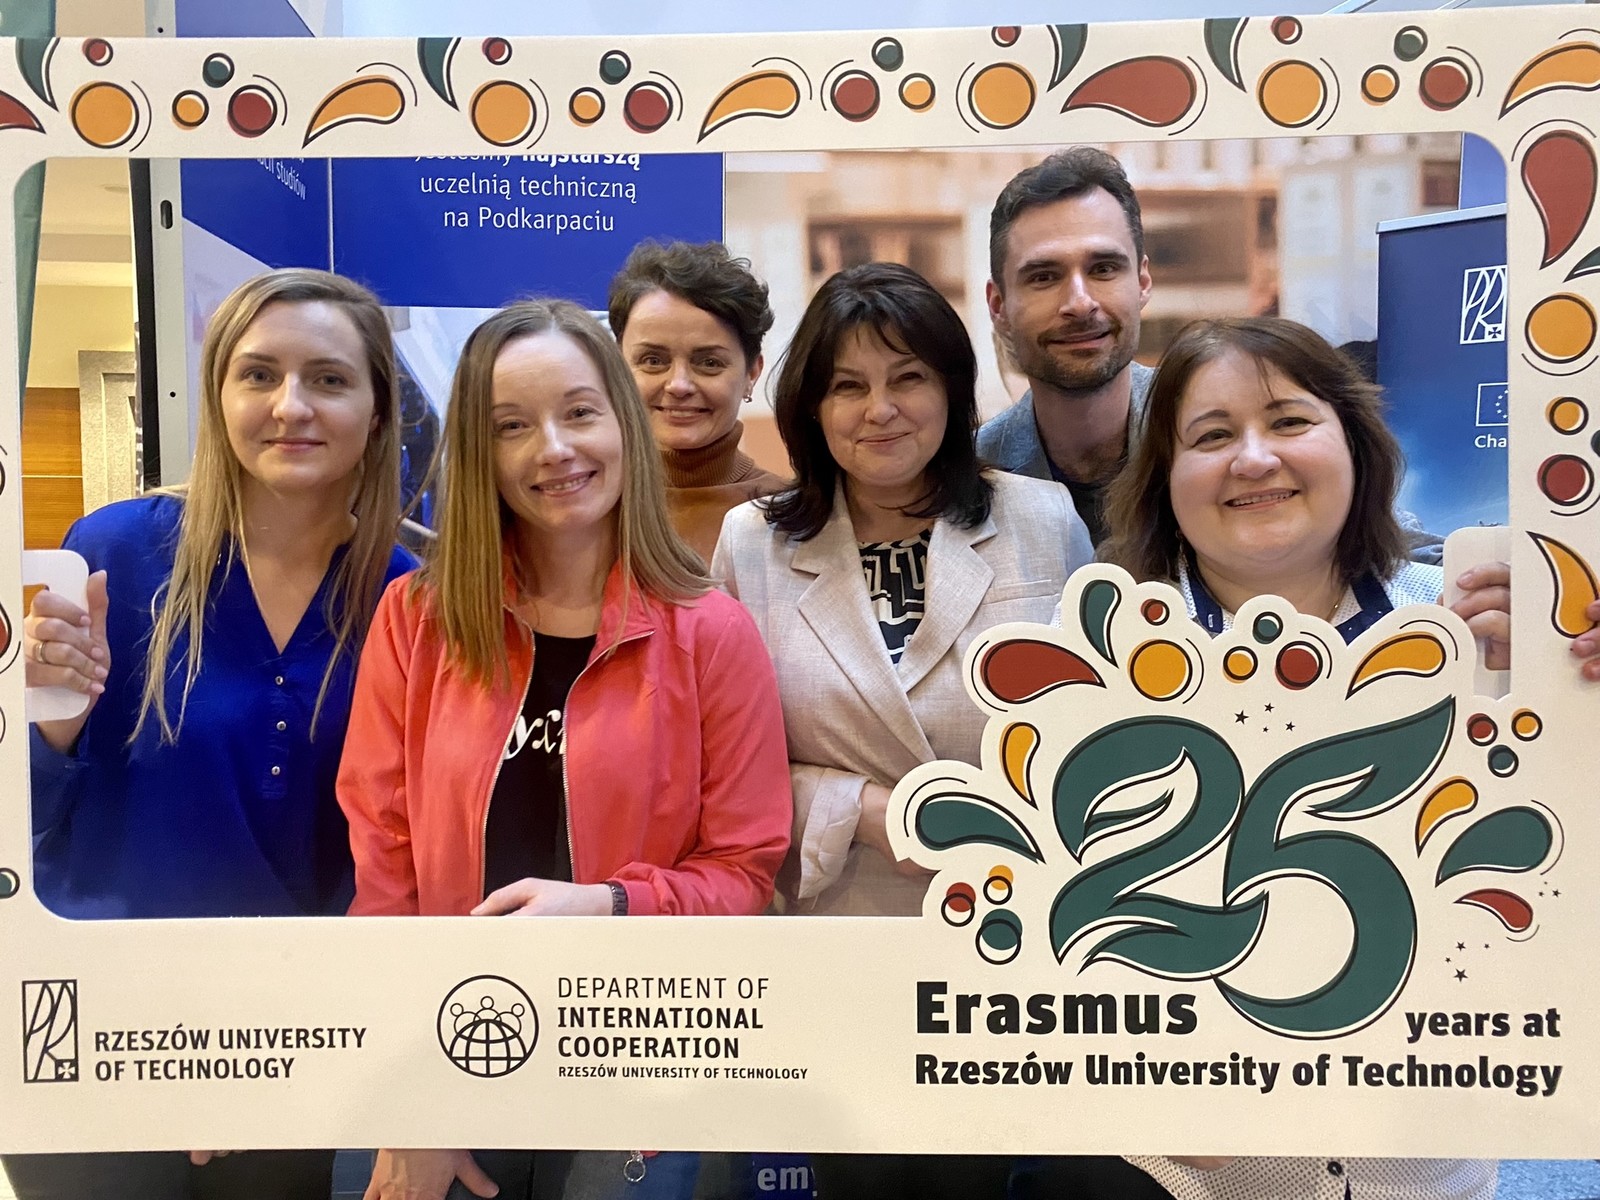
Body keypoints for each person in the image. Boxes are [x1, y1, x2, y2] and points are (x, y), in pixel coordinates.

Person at [336, 298, 791, 1200]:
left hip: (642, 1057)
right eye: (512, 425)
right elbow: (384, 870)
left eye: (579, 412)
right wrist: (416, 1093)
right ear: (480, 451)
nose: (553, 449)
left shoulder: (713, 633)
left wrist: (607, 905)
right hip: (450, 1041)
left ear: (622, 423)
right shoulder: (416, 619)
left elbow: (744, 871)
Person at [5, 268, 415, 1199]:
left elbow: (392, 855)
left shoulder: (406, 597)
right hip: (97, 1032)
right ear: (219, 395)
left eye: (329, 379)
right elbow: (24, 826)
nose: (290, 406)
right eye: (259, 374)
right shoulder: (114, 552)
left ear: (377, 411)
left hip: (301, 1043)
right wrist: (52, 724)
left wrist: (256, 1047)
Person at [1098, 315, 1511, 1200]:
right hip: (1190, 1178)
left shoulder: (1470, 629)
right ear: (1164, 476)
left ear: (1356, 444)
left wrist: (1565, 686)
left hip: (1427, 1162)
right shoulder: (1102, 656)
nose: (1254, 459)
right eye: (1211, 436)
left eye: (1289, 421)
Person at [714, 262, 1092, 1199]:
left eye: (907, 377)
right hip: (845, 939)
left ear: (953, 390)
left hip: (1018, 945)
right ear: (811, 407)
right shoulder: (752, 541)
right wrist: (867, 810)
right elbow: (721, 769)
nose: (879, 409)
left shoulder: (1040, 517)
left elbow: (1094, 728)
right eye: (848, 385)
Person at [977, 146, 1446, 568]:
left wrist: (1474, 589)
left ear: (1142, 282)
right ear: (998, 305)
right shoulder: (974, 472)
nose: (1080, 302)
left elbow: (1405, 548)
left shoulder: (1231, 429)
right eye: (1043, 276)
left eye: (1103, 268)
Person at [609, 240, 786, 563]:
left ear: (751, 373)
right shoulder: (584, 507)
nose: (679, 385)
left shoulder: (790, 515)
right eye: (653, 360)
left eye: (709, 363)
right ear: (617, 365)